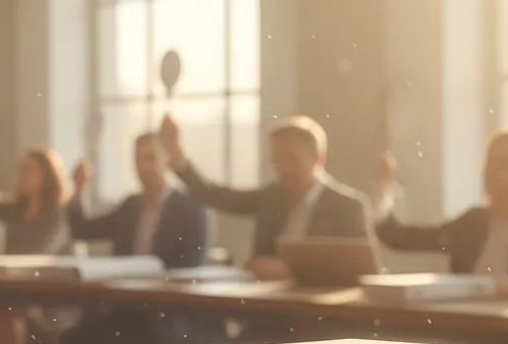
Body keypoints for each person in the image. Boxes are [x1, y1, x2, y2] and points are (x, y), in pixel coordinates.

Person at [158, 114, 373, 281]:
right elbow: (216, 196)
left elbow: (362, 272)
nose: (284, 168)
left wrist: (291, 271)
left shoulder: (349, 207)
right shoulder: (271, 197)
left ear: (318, 157)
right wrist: (177, 157)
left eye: (293, 158)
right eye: (277, 159)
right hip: (268, 310)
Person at [376, 130, 508, 295]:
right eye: (488, 162)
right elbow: (397, 237)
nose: (490, 171)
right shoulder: (473, 221)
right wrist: (383, 189)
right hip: (464, 319)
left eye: (503, 164)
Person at [68, 133, 208, 269]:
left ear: (167, 161)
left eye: (150, 158)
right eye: (137, 159)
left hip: (169, 290)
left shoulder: (191, 210)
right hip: (126, 289)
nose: (143, 167)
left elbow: (193, 265)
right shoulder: (129, 206)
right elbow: (82, 231)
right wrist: (78, 189)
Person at [0, 121, 71, 256]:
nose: (21, 175)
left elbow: (39, 252)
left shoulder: (57, 215)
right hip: (13, 275)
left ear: (47, 176)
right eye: (20, 169)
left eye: (29, 169)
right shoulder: (16, 209)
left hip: (48, 276)